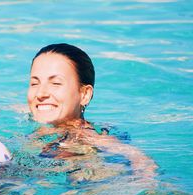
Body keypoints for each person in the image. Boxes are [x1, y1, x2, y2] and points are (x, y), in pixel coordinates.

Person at [27, 43, 157, 181]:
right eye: (34, 84)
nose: (40, 94)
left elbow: (140, 160)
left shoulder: (87, 137)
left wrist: (145, 181)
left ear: (84, 94)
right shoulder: (44, 120)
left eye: (56, 83)